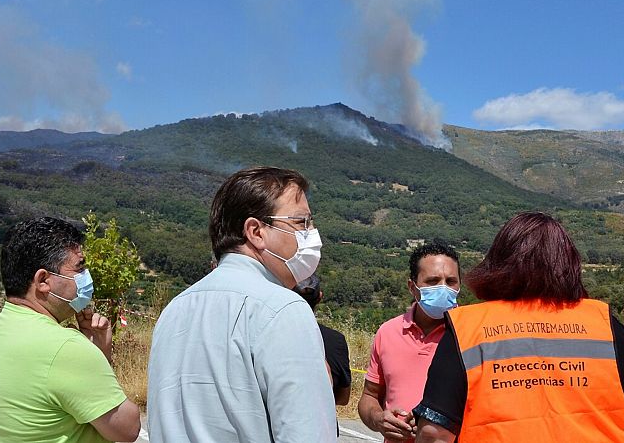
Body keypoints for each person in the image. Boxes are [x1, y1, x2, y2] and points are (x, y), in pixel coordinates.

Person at [413, 212, 624, 443]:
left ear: (498, 262)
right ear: (568, 264)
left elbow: (435, 434)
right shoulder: (601, 324)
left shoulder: (466, 328)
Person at [147, 166, 336, 442]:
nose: (312, 234)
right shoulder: (282, 309)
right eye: (301, 222)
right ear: (256, 232)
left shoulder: (174, 309)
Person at [0, 217, 141, 443]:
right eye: (79, 267)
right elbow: (127, 429)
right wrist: (101, 355)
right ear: (43, 280)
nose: (86, 276)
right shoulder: (66, 348)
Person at [358, 242, 461, 443]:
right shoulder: (387, 332)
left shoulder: (470, 335)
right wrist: (379, 419)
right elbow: (369, 396)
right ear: (412, 287)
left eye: (450, 281)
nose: (443, 288)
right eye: (432, 281)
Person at [293, 273, 352, 406]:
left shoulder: (273, 334)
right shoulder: (336, 340)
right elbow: (343, 398)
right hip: (323, 423)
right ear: (320, 297)